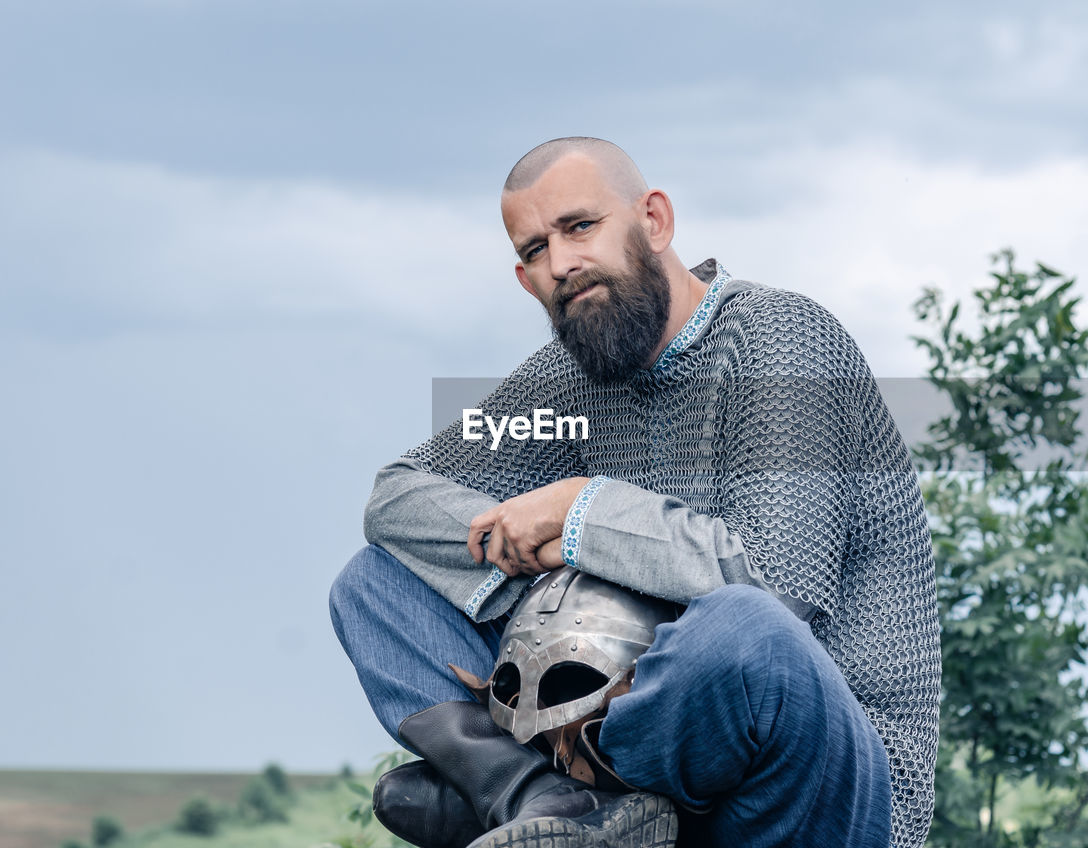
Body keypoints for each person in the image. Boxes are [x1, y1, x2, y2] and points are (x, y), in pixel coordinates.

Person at [330, 137, 940, 848]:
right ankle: (537, 799)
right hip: (654, 776)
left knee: (743, 626)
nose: (561, 262)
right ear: (525, 281)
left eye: (580, 226)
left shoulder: (782, 341)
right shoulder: (569, 383)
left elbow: (775, 591)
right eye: (535, 249)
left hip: (828, 782)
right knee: (371, 586)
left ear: (653, 221)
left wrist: (580, 511)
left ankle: (531, 787)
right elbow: (396, 496)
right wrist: (529, 545)